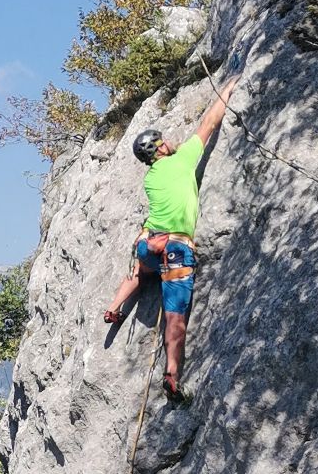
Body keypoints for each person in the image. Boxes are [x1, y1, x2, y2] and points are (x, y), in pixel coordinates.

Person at [102, 76, 239, 399]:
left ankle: (114, 307)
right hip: (176, 248)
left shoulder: (151, 179)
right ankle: (172, 374)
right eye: (164, 140)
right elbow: (208, 124)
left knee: (141, 269)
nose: (170, 141)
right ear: (160, 148)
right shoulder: (181, 160)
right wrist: (227, 89)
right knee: (175, 318)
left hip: (149, 243)